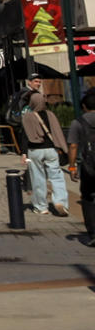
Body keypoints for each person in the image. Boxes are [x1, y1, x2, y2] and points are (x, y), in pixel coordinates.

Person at [20, 91, 71, 218]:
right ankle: (61, 202)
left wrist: (23, 153)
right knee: (57, 176)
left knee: (38, 178)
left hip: (34, 151)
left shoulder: (28, 116)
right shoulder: (51, 114)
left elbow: (24, 136)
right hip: (51, 149)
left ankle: (41, 207)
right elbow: (58, 132)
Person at [66, 89, 95, 247]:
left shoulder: (78, 122)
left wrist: (71, 167)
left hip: (88, 167)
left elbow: (73, 146)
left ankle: (93, 233)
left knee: (88, 198)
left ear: (84, 106)